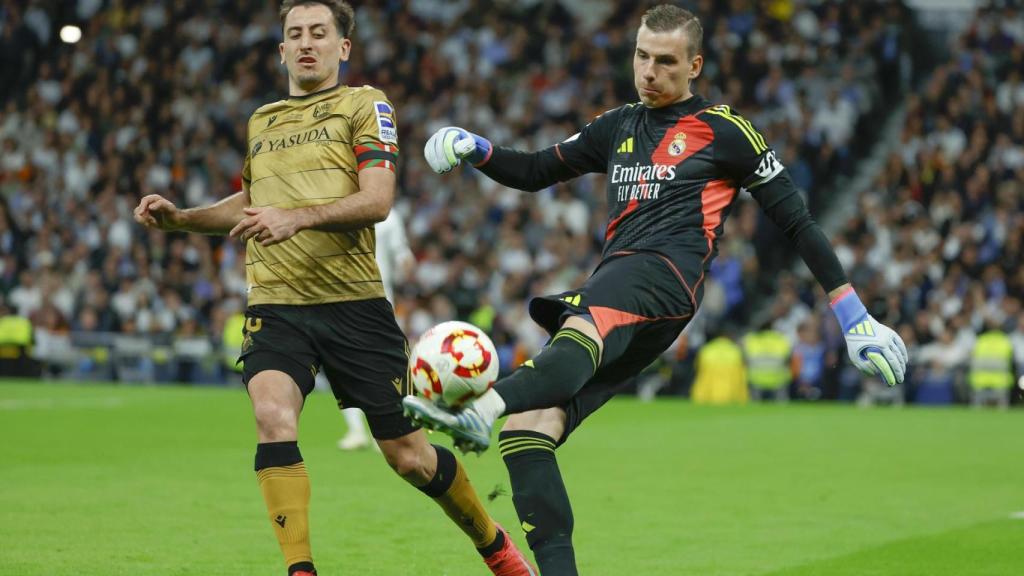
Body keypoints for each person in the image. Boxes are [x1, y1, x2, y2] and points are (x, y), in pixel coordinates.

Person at [403, 5, 908, 574]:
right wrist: (477, 147)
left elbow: (797, 221)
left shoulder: (724, 130)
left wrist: (853, 314)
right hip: (625, 290)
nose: (648, 72)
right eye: (641, 56)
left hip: (664, 275)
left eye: (665, 62)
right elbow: (537, 170)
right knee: (529, 433)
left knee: (575, 335)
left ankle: (481, 407)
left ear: (694, 65)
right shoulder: (617, 125)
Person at [133, 2, 535, 575]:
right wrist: (182, 219)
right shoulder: (262, 119)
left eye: (319, 33)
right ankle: (300, 570)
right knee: (273, 416)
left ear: (343, 46)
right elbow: (249, 205)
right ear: (280, 50)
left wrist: (296, 217)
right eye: (294, 34)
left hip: (355, 306)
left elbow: (377, 199)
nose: (306, 43)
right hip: (276, 304)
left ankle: (493, 544)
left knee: (410, 458)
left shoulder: (363, 104)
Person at [336, 209, 414, 450]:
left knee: (380, 368)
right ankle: (358, 430)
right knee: (342, 366)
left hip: (376, 301)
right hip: (339, 299)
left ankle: (386, 430)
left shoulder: (388, 215)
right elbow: (404, 259)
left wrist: (409, 285)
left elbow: (404, 258)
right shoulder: (337, 207)